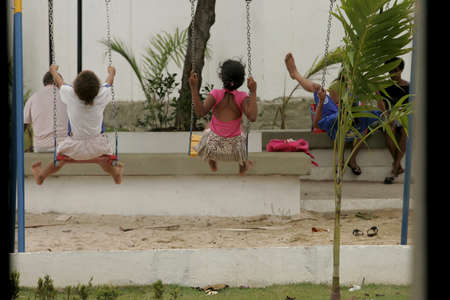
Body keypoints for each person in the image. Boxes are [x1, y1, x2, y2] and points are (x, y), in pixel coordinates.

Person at [284, 52, 379, 175]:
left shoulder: (362, 96)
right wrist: (323, 101)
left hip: (352, 120)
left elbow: (380, 113)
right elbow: (322, 119)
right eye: (348, 72)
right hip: (339, 115)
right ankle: (295, 74)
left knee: (357, 124)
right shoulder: (337, 92)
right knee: (318, 88)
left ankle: (351, 160)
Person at [31, 64, 124, 185]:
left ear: (75, 88)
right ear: (97, 89)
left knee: (59, 159)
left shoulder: (70, 95)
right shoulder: (101, 96)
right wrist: (112, 73)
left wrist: (53, 71)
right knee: (104, 160)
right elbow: (109, 83)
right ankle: (116, 175)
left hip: (73, 147)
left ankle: (41, 176)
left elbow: (59, 82)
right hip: (98, 146)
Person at [188, 59, 258, 176]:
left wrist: (194, 89)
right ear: (241, 80)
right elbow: (253, 117)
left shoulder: (215, 94)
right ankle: (242, 164)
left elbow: (200, 113)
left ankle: (211, 159)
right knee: (242, 130)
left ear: (221, 77)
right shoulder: (242, 98)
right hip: (234, 149)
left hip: (214, 146)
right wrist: (253, 92)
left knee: (209, 126)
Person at [380, 57, 410, 184]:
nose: (393, 73)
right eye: (390, 71)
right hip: (388, 117)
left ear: (401, 70)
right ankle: (398, 167)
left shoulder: (409, 87)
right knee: (389, 134)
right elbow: (380, 104)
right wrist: (388, 117)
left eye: (395, 70)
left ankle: (394, 169)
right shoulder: (384, 86)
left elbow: (411, 106)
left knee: (404, 133)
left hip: (403, 117)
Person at [24, 71, 69, 152]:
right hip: (64, 147)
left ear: (44, 83)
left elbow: (23, 125)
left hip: (40, 147)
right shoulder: (67, 96)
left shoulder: (33, 98)